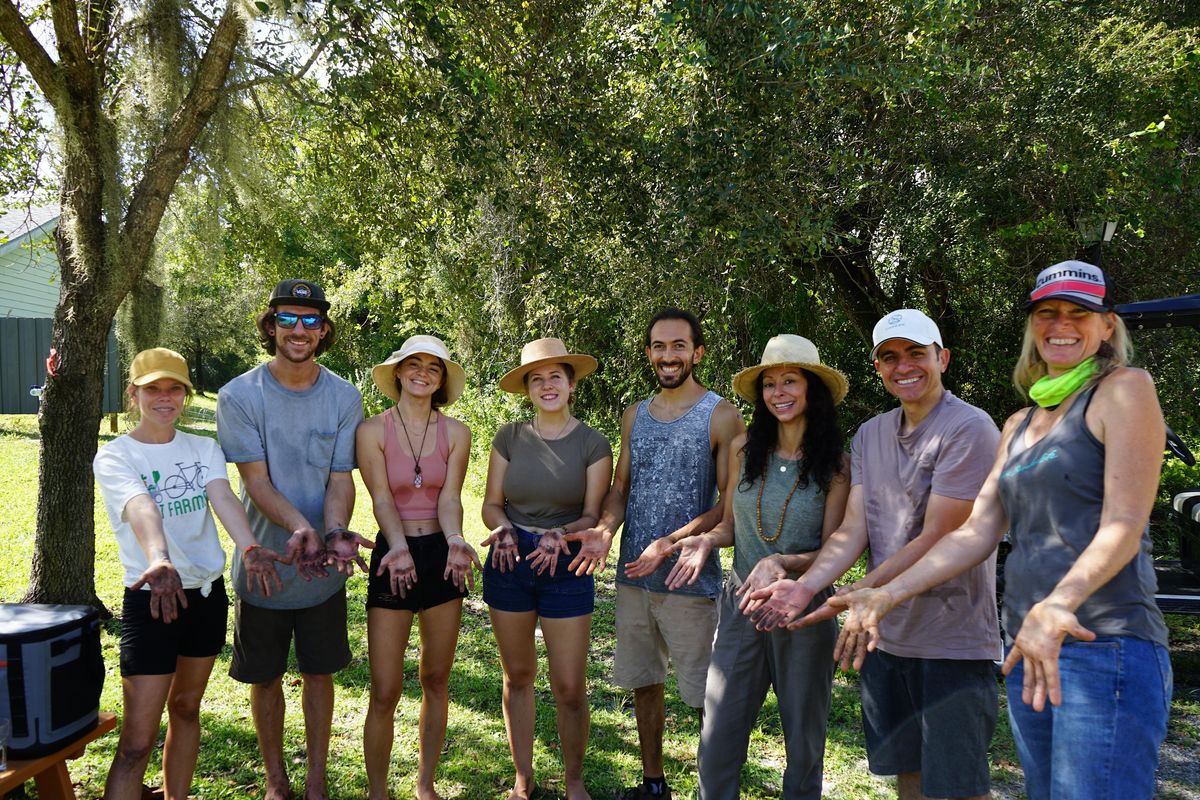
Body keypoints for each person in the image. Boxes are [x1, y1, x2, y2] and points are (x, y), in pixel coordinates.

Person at [819, 262, 1172, 800]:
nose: (1061, 324)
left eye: (1080, 313)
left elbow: (1123, 523)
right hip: (1029, 645)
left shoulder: (1124, 390)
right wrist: (884, 594)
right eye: (1047, 313)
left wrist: (1060, 603)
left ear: (1107, 327)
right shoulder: (1019, 424)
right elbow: (974, 533)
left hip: (1105, 642)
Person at [750, 309, 1001, 800]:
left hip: (951, 640)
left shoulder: (970, 428)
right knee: (907, 773)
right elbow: (853, 529)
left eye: (915, 353)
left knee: (959, 787)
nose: (903, 365)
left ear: (942, 358)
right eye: (889, 357)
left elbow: (939, 536)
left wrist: (857, 591)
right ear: (877, 367)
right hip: (885, 636)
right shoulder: (870, 433)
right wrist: (806, 586)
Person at [95, 348, 288, 800]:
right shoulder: (115, 456)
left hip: (205, 597)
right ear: (133, 394)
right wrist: (158, 557)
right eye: (153, 389)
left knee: (185, 708)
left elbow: (222, 498)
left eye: (174, 389)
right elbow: (140, 507)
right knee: (136, 743)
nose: (165, 398)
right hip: (153, 598)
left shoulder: (203, 448)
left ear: (185, 393)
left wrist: (250, 545)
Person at [667, 335, 850, 799]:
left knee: (804, 741)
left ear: (812, 389)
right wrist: (705, 539)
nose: (779, 392)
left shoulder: (837, 465)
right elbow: (729, 523)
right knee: (719, 732)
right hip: (740, 602)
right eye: (769, 383)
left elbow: (835, 549)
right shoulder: (744, 449)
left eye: (790, 380)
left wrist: (782, 563)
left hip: (804, 608)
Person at [574, 308, 744, 800]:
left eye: (678, 346)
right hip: (633, 579)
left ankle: (717, 787)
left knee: (704, 695)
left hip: (689, 581)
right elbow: (621, 486)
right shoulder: (635, 414)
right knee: (645, 682)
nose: (669, 356)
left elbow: (725, 508)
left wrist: (669, 542)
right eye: (659, 347)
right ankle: (654, 784)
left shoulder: (721, 414)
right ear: (649, 353)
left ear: (697, 352)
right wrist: (606, 529)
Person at [216, 279, 370, 800]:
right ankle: (276, 781)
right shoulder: (239, 395)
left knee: (320, 675)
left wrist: (329, 533)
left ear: (324, 330)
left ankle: (317, 780)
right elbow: (256, 482)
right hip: (263, 567)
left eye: (310, 320)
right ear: (271, 325)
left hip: (323, 574)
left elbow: (340, 479)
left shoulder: (346, 396)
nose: (298, 330)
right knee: (265, 680)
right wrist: (298, 528)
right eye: (288, 319)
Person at [480, 337, 614, 800]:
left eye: (555, 376)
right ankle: (523, 777)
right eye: (536, 379)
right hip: (508, 559)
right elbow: (492, 505)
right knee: (517, 676)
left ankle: (574, 782)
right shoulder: (509, 437)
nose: (546, 385)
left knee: (570, 686)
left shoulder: (593, 443)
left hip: (568, 565)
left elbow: (593, 515)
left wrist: (561, 533)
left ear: (571, 384)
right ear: (527, 390)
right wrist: (503, 530)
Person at [359, 334, 480, 800]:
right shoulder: (372, 431)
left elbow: (449, 498)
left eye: (434, 366)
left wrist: (454, 540)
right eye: (415, 363)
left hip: (439, 558)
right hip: (392, 556)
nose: (423, 372)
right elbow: (382, 498)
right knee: (385, 688)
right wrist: (397, 546)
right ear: (398, 371)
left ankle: (425, 784)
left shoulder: (457, 433)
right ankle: (378, 792)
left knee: (435, 678)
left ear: (443, 378)